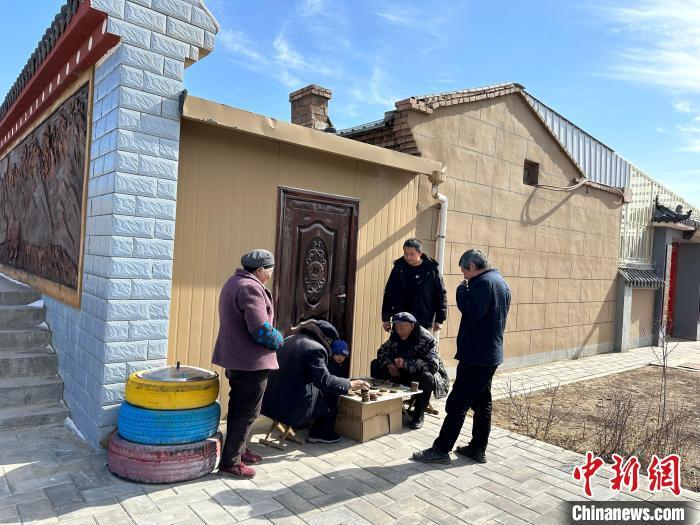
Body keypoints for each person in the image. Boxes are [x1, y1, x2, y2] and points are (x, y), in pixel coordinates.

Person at [413, 249, 511, 464]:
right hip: (489, 355)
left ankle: (441, 449)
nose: (464, 276)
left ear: (473, 267)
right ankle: (477, 448)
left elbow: (472, 312)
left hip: (476, 356)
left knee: (457, 403)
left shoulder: (483, 283)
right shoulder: (500, 282)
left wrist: (460, 291)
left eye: (464, 271)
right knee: (483, 403)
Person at [211, 249, 284, 479]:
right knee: (247, 412)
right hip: (250, 362)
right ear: (260, 270)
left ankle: (239, 450)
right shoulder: (250, 288)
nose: (271, 274)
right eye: (270, 270)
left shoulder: (234, 282)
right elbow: (260, 329)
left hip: (238, 359)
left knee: (239, 407)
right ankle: (231, 462)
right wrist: (279, 339)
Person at [262, 320, 370, 444]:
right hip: (290, 407)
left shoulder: (289, 339)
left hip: (269, 401)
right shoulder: (315, 348)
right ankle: (320, 433)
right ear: (327, 340)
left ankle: (301, 426)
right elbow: (324, 381)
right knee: (332, 393)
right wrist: (349, 384)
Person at [370, 312, 449, 429]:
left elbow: (433, 365)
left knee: (427, 377)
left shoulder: (427, 339)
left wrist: (406, 364)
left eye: (402, 327)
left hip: (418, 376)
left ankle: (418, 415)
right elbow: (382, 351)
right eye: (397, 327)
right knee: (376, 364)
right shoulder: (395, 334)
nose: (399, 330)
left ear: (412, 326)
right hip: (400, 373)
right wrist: (389, 364)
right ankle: (380, 405)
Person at [381, 238, 448, 333]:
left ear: (420, 253)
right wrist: (386, 318)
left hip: (422, 321)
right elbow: (389, 293)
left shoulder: (431, 270)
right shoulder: (398, 268)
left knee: (420, 343)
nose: (408, 257)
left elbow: (441, 294)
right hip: (400, 319)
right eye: (406, 254)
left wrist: (439, 319)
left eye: (411, 254)